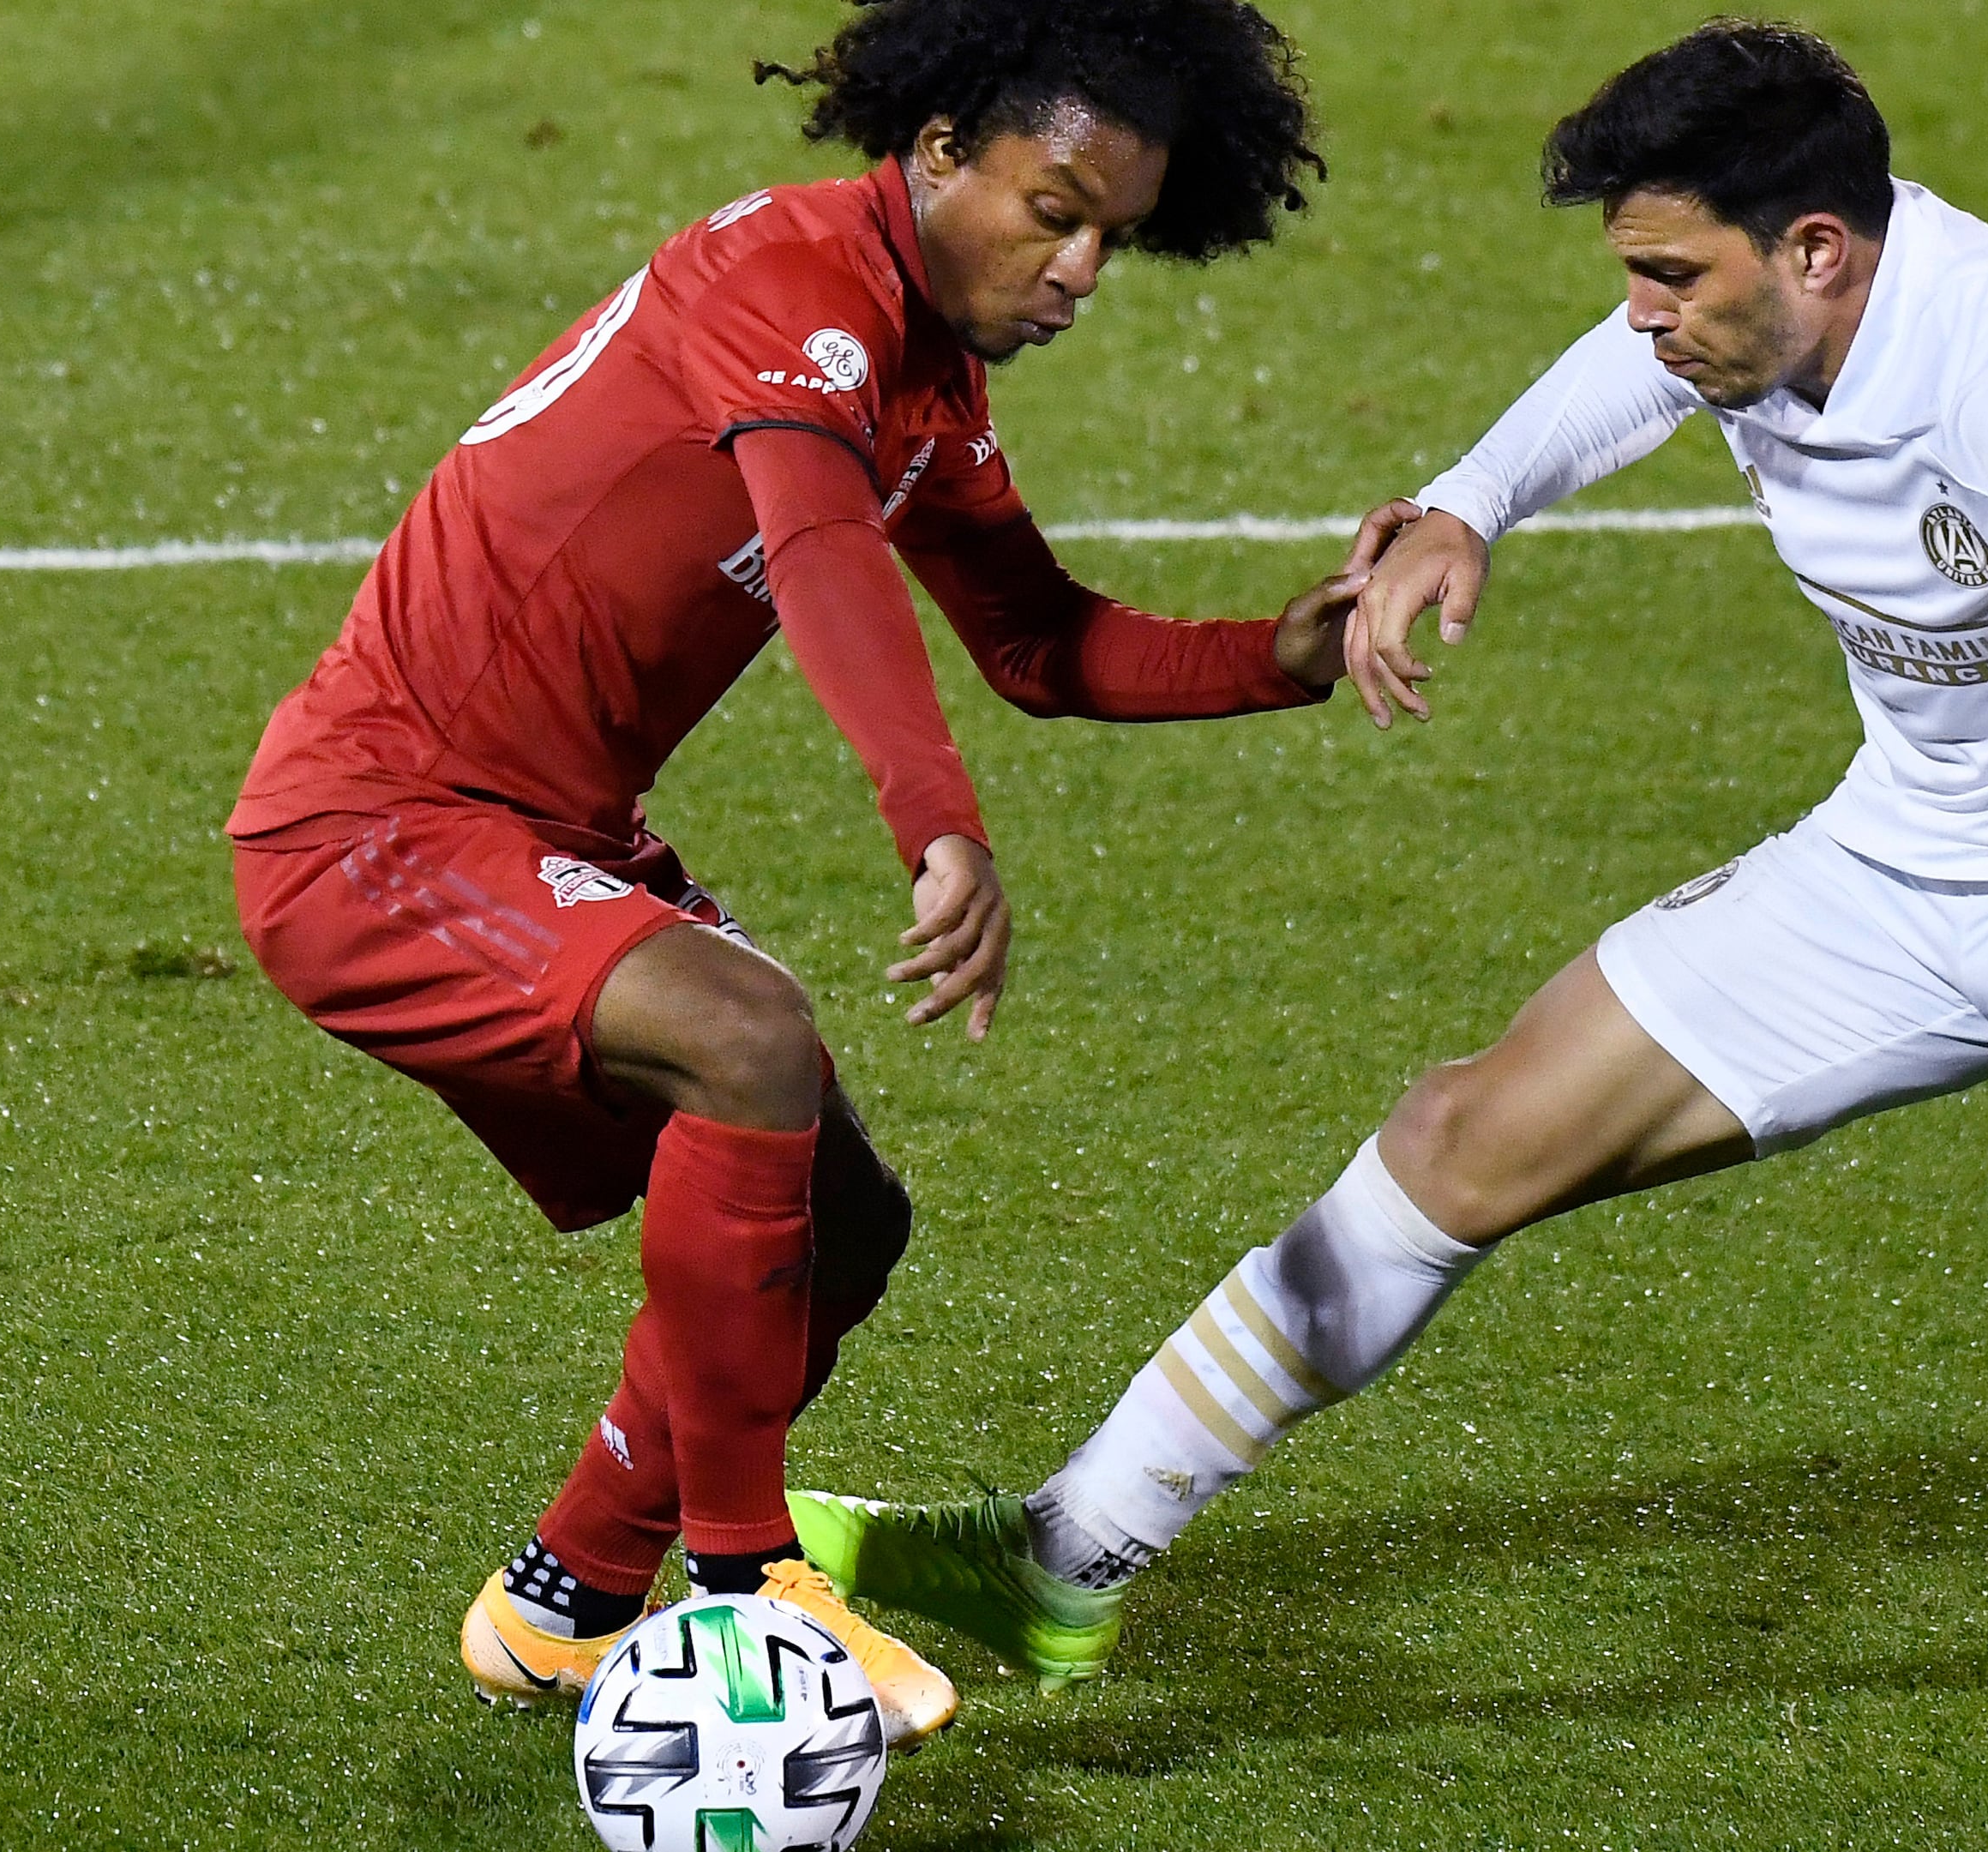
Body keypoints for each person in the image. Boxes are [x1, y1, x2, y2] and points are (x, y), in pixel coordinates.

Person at [789, 22, 1988, 1846]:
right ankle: (1069, 1553)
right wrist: (1465, 508)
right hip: (1908, 856)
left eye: (1673, 276)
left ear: (1819, 250)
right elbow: (1621, 376)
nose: (1648, 317)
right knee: (1460, 1136)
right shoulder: (1750, 306)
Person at [225, 0, 1342, 1748]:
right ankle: (746, 1596)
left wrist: (1282, 656)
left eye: (1113, 235)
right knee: (748, 1037)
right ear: (941, 151)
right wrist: (934, 820)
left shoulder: (924, 374)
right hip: (376, 822)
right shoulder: (783, 279)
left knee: (842, 1223)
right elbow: (820, 548)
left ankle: (570, 1605)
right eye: (1054, 211)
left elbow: (1042, 642)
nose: (1082, 268)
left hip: (547, 831)